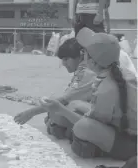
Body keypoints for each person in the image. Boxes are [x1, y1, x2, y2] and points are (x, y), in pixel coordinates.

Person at [40, 27, 137, 160]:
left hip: (130, 143)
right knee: (75, 104)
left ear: (92, 60)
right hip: (126, 130)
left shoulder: (107, 88)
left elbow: (88, 124)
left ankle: (97, 149)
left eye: (84, 52)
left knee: (81, 127)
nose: (82, 55)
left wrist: (60, 109)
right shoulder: (121, 74)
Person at [14, 38, 96, 139]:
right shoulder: (84, 68)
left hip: (97, 117)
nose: (63, 63)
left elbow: (64, 100)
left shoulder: (86, 72)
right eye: (62, 60)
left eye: (66, 59)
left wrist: (31, 113)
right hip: (92, 111)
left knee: (58, 114)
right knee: (55, 111)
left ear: (80, 56)